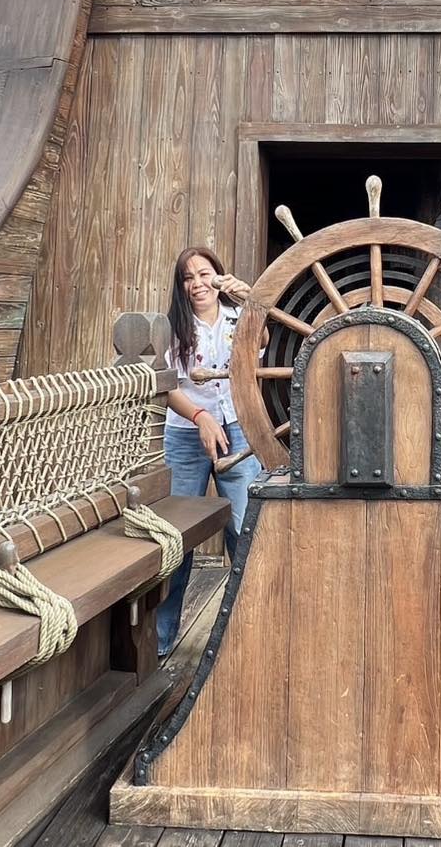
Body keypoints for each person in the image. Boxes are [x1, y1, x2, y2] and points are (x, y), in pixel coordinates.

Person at [156, 245, 263, 657]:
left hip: (237, 429)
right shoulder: (171, 328)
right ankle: (161, 640)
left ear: (219, 276)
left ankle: (248, 635)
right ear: (180, 287)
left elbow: (264, 339)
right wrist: (201, 417)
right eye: (188, 278)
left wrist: (252, 298)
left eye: (204, 274)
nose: (197, 284)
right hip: (186, 435)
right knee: (176, 536)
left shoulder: (239, 317)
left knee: (243, 527)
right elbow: (167, 386)